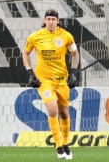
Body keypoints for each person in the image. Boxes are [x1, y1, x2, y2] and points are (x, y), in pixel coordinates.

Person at [22, 9, 79, 160]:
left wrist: (73, 72)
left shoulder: (66, 36)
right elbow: (25, 53)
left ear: (58, 21)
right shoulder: (35, 37)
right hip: (44, 80)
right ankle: (58, 146)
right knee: (52, 109)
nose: (51, 21)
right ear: (44, 20)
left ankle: (66, 144)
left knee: (64, 113)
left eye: (54, 19)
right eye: (48, 19)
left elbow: (75, 53)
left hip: (61, 80)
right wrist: (30, 73)